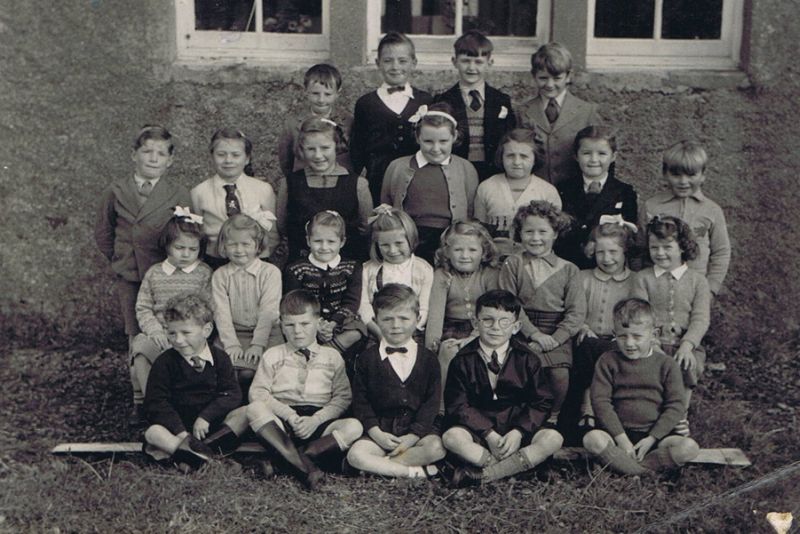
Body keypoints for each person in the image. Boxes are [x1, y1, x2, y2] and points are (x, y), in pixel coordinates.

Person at [94, 125, 191, 422]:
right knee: (136, 334)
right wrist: (121, 259)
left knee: (172, 329)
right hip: (132, 275)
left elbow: (186, 232)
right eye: (147, 151)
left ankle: (171, 395)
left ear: (170, 160)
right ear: (134, 155)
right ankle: (140, 399)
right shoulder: (116, 191)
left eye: (161, 153)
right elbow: (104, 232)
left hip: (168, 275)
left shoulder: (177, 192)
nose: (153, 158)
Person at [442, 290, 562, 487]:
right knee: (451, 437)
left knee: (553, 438)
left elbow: (542, 401)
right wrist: (488, 434)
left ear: (516, 327)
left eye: (504, 321)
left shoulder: (528, 358)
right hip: (479, 431)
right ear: (475, 323)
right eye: (487, 320)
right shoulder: (462, 360)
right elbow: (458, 405)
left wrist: (519, 432)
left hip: (517, 429)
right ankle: (518, 470)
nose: (495, 327)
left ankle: (486, 475)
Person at [245, 290, 363, 490]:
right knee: (254, 408)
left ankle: (283, 461)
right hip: (283, 422)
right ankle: (306, 467)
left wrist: (316, 420)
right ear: (282, 325)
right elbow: (258, 393)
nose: (297, 331)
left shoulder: (332, 356)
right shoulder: (273, 355)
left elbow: (343, 397)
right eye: (290, 325)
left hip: (319, 420)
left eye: (304, 324)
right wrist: (290, 416)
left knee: (354, 427)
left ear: (318, 323)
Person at [583, 298, 699, 475]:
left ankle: (626, 467)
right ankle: (645, 471)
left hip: (655, 437)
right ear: (615, 333)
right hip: (618, 434)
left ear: (654, 335)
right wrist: (621, 439)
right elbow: (601, 402)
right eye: (622, 336)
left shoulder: (666, 364)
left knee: (689, 447)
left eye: (637, 336)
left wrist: (652, 439)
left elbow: (675, 405)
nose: (629, 343)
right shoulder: (608, 361)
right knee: (592, 439)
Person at [499, 200, 586, 428]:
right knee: (519, 369)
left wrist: (553, 339)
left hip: (557, 330)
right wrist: (534, 335)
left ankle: (552, 416)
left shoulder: (569, 269)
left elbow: (576, 313)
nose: (535, 238)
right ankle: (521, 417)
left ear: (555, 233)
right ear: (520, 233)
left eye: (543, 232)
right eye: (529, 231)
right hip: (520, 326)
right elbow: (509, 304)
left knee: (559, 374)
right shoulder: (513, 263)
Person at [347, 284, 446, 478]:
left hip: (416, 433)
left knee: (436, 448)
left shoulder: (428, 359)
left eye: (403, 318)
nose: (396, 325)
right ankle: (414, 472)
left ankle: (381, 467)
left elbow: (431, 403)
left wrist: (412, 437)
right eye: (387, 319)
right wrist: (376, 433)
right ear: (376, 321)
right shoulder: (366, 359)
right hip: (380, 431)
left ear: (417, 320)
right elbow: (361, 402)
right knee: (356, 455)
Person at [129, 208, 212, 424]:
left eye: (192, 249)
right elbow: (144, 307)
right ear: (167, 245)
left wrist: (194, 333)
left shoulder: (203, 273)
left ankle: (188, 407)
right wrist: (155, 330)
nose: (185, 254)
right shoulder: (155, 273)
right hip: (162, 336)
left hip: (191, 334)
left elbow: (209, 307)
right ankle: (151, 404)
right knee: (140, 349)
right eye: (179, 248)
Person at [143, 292, 242, 468]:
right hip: (177, 430)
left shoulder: (220, 358)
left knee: (246, 414)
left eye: (186, 332)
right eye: (172, 333)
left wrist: (206, 417)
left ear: (207, 330)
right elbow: (156, 403)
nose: (178, 340)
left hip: (211, 429)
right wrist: (181, 433)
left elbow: (232, 394)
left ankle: (190, 458)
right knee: (153, 433)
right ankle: (212, 461)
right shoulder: (164, 362)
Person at [632, 216, 710, 437]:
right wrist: (652, 344)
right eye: (654, 247)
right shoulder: (643, 278)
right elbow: (640, 315)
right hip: (651, 342)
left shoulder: (697, 281)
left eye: (667, 247)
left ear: (683, 247)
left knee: (687, 364)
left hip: (684, 344)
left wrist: (687, 345)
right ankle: (650, 416)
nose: (660, 253)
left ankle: (678, 416)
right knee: (650, 366)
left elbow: (701, 318)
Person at [566, 217, 638, 439]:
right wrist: (583, 326)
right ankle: (585, 410)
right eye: (600, 253)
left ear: (625, 251)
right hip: (587, 339)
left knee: (609, 352)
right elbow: (574, 309)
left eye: (613, 252)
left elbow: (636, 315)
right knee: (589, 347)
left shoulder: (634, 281)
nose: (607, 259)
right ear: (592, 252)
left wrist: (623, 335)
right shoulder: (583, 277)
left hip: (619, 341)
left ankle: (608, 414)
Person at [381, 102, 479, 263]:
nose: (435, 148)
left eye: (443, 141)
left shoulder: (465, 169)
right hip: (410, 239)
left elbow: (469, 210)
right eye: (428, 141)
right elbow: (388, 206)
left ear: (454, 137)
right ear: (418, 137)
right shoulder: (398, 167)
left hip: (449, 239)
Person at [350, 32, 433, 205]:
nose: (395, 67)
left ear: (413, 63)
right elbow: (357, 150)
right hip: (378, 182)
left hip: (417, 179)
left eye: (402, 61)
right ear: (378, 63)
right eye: (388, 60)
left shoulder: (425, 100)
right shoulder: (366, 104)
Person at [425, 221, 500, 407]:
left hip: (484, 328)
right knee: (448, 351)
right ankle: (441, 409)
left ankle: (485, 408)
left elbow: (494, 311)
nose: (465, 256)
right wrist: (432, 347)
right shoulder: (442, 275)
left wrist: (474, 337)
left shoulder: (490, 274)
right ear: (447, 252)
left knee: (488, 355)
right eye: (458, 250)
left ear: (483, 252)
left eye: (472, 250)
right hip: (452, 328)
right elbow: (435, 315)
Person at [284, 210, 368, 375]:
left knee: (357, 331)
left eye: (331, 241)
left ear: (342, 242)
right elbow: (296, 302)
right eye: (318, 241)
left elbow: (352, 301)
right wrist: (318, 324)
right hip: (309, 320)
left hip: (340, 321)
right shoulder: (296, 269)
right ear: (308, 240)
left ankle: (322, 356)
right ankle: (320, 358)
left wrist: (333, 323)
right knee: (298, 331)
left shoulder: (352, 267)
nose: (324, 247)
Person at [645, 140, 730, 296]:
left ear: (703, 175)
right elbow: (640, 249)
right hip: (657, 290)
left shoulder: (712, 210)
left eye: (691, 175)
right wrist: (644, 286)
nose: (683, 182)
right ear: (665, 173)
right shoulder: (652, 206)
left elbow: (721, 253)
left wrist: (710, 289)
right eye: (676, 174)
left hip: (696, 291)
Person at [282, 116, 372, 262]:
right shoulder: (289, 184)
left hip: (348, 264)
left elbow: (365, 228)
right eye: (311, 149)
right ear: (302, 150)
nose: (318, 156)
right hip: (302, 264)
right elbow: (283, 227)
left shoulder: (358, 184)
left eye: (325, 148)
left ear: (336, 146)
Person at [211, 214, 282, 392]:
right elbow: (221, 313)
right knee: (225, 370)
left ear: (258, 246)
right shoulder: (220, 275)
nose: (239, 250)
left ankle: (255, 402)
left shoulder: (270, 272)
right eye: (232, 244)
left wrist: (258, 344)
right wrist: (232, 344)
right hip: (233, 332)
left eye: (246, 244)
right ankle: (229, 405)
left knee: (250, 373)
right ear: (223, 246)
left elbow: (269, 311)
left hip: (268, 333)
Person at [191, 128, 280, 269]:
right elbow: (198, 233)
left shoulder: (263, 189)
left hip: (256, 261)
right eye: (221, 155)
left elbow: (272, 233)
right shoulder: (199, 192)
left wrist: (258, 256)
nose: (228, 160)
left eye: (235, 155)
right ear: (211, 156)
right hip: (215, 261)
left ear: (247, 158)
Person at [515, 42, 601, 186]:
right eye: (543, 78)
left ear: (568, 76)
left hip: (574, 192)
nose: (549, 85)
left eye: (556, 78)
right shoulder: (522, 111)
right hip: (534, 189)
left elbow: (598, 153)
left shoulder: (586, 111)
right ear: (534, 76)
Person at [434, 29, 515, 181]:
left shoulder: (501, 101)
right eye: (465, 61)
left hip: (493, 172)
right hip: (456, 171)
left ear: (489, 63)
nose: (472, 68)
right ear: (454, 62)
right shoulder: (443, 100)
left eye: (478, 62)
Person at [556, 126, 639, 269]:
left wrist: (597, 242)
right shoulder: (563, 189)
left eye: (602, 154)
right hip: (569, 263)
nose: (594, 159)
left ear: (613, 156)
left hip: (608, 265)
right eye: (586, 153)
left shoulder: (624, 192)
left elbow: (629, 233)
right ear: (576, 156)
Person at [474, 128, 561, 258]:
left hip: (534, 261)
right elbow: (479, 230)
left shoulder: (547, 191)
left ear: (535, 158)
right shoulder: (487, 187)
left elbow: (552, 233)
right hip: (494, 260)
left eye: (524, 156)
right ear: (501, 156)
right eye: (510, 156)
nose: (516, 162)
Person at [358, 206, 433, 341]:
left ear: (411, 240)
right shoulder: (368, 270)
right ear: (376, 245)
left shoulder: (423, 269)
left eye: (399, 243)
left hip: (412, 332)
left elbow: (424, 307)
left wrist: (409, 331)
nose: (392, 250)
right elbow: (363, 305)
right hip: (377, 332)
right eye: (385, 245)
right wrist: (379, 332)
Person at [277, 63, 353, 180]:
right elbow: (286, 160)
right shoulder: (293, 123)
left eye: (327, 94)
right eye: (315, 93)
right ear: (306, 91)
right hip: (304, 183)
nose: (321, 100)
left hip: (340, 183)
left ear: (338, 93)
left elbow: (357, 157)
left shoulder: (348, 122)